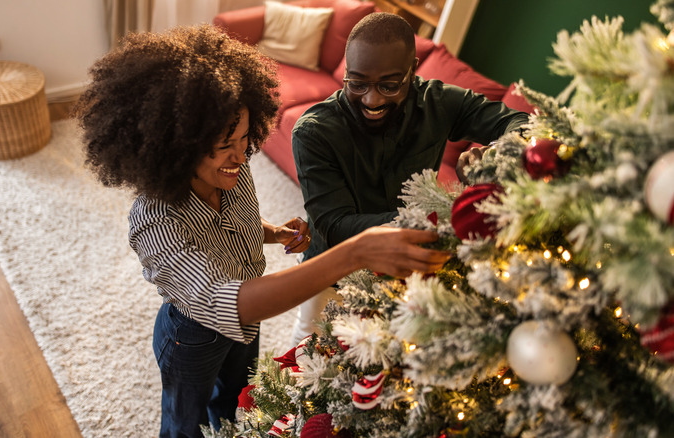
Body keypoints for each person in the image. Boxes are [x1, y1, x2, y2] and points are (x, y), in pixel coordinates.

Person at [73, 25, 451, 438]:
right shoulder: (155, 223)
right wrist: (353, 252)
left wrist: (271, 232)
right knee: (184, 423)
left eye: (243, 138)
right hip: (192, 337)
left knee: (236, 401)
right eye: (224, 145)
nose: (241, 155)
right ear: (175, 146)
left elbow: (236, 229)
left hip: (245, 328)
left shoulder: (233, 169)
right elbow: (226, 301)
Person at [290, 12, 529, 345]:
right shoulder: (313, 133)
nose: (372, 100)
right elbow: (334, 224)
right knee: (305, 356)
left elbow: (522, 124)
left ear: (412, 70)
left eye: (389, 85)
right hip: (332, 272)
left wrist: (494, 156)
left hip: (407, 270)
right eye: (357, 83)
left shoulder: (439, 102)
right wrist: (431, 219)